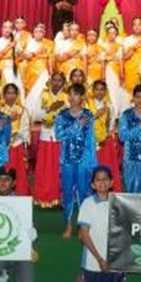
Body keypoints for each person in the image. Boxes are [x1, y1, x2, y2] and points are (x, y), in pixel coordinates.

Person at [55, 82, 98, 237]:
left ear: (82, 97)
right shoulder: (62, 115)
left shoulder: (88, 115)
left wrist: (92, 162)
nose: (72, 97)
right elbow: (59, 135)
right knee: (67, 192)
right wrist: (77, 125)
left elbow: (91, 139)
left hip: (83, 160)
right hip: (67, 160)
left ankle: (83, 226)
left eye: (76, 94)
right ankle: (68, 224)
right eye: (71, 94)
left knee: (84, 192)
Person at [78, 165, 122, 282]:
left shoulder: (118, 203)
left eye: (105, 179)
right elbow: (84, 234)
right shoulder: (87, 203)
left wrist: (114, 259)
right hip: (93, 260)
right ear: (93, 184)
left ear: (111, 182)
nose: (102, 182)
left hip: (113, 260)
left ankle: (120, 276)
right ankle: (85, 277)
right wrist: (99, 259)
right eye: (98, 180)